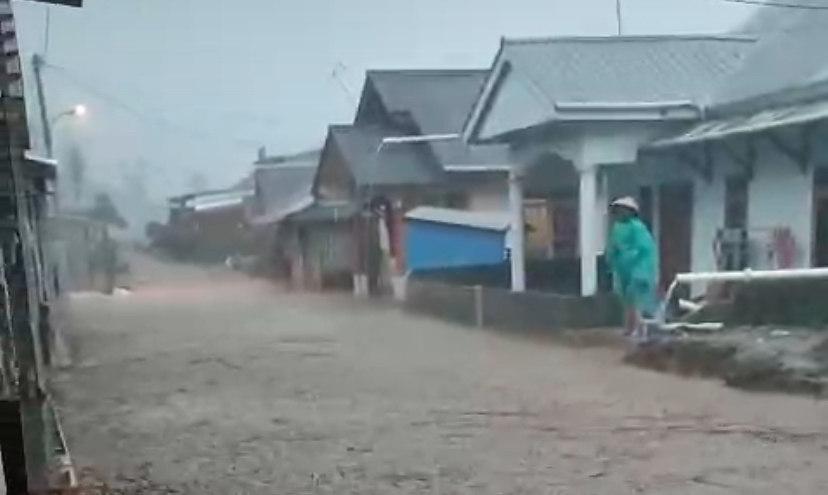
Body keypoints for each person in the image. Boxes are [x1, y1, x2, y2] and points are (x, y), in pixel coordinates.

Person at [606, 196, 659, 339]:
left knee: (637, 300)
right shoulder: (617, 228)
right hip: (623, 270)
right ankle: (628, 328)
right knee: (626, 300)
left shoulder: (638, 226)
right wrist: (611, 262)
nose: (620, 213)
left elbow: (644, 249)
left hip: (639, 267)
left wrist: (630, 257)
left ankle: (639, 328)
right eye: (618, 210)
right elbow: (613, 248)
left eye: (623, 210)